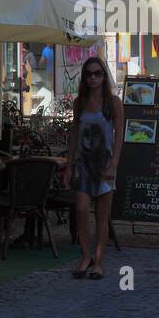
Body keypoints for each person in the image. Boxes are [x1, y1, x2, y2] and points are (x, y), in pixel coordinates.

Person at [63, 57, 125, 280]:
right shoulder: (79, 102)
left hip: (105, 164)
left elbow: (119, 136)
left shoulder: (113, 103)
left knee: (101, 214)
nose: (93, 78)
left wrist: (114, 164)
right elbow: (74, 135)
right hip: (83, 164)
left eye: (97, 73)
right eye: (89, 74)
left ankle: (98, 261)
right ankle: (85, 256)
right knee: (80, 210)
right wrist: (69, 166)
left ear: (103, 76)